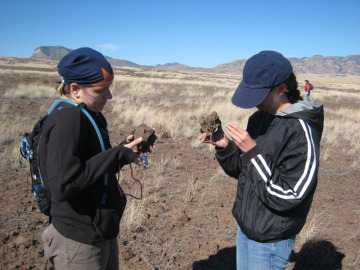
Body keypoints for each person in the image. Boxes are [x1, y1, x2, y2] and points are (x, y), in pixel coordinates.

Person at [199, 51, 324, 270]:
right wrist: (225, 146)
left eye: (259, 95)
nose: (254, 103)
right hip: (247, 228)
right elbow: (243, 170)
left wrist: (253, 152)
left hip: (271, 239)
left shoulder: (301, 131)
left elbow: (290, 195)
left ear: (281, 89)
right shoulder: (259, 119)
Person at [40, 47, 150, 269]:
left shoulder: (91, 115)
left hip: (99, 231)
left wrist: (125, 151)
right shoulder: (68, 120)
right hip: (78, 241)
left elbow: (93, 167)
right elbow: (64, 185)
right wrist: (116, 154)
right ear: (75, 89)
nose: (109, 96)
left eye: (109, 88)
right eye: (102, 90)